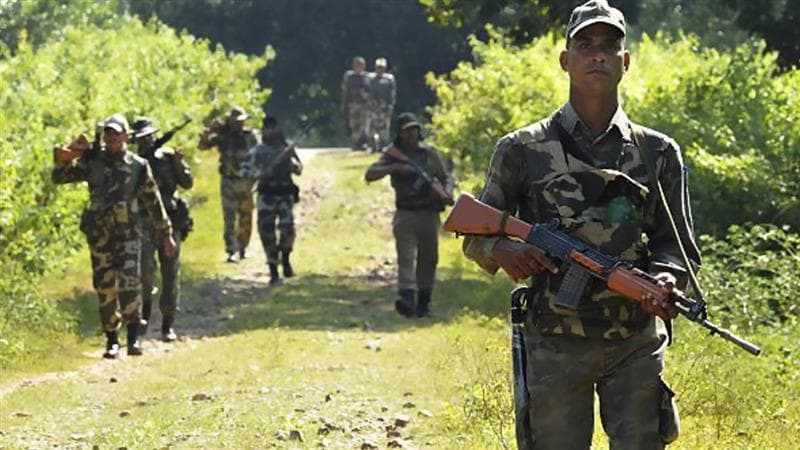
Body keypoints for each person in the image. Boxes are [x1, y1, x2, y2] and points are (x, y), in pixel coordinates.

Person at [462, 1, 701, 448]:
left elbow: (678, 245)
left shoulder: (658, 152)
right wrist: (504, 251)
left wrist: (667, 277)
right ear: (565, 60)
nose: (597, 55)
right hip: (554, 342)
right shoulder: (522, 148)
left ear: (625, 62)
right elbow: (475, 233)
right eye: (585, 45)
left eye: (610, 47)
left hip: (635, 340)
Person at [52, 114, 176, 358]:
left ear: (126, 136)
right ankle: (111, 340)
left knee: (131, 284)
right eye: (108, 133)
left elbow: (153, 201)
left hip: (128, 233)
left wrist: (166, 234)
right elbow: (59, 178)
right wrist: (67, 156)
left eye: (116, 133)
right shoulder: (92, 162)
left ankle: (133, 338)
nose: (111, 138)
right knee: (105, 287)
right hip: (100, 236)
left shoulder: (138, 165)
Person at [364, 113, 454, 318]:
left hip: (429, 214)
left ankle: (424, 303)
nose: (411, 134)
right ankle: (407, 299)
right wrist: (394, 168)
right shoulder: (392, 154)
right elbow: (370, 174)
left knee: (428, 259)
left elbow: (446, 176)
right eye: (407, 130)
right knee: (405, 258)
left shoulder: (430, 153)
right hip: (405, 213)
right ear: (400, 133)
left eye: (414, 129)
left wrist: (445, 192)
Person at [132, 117, 193, 342]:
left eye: (149, 136)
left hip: (170, 222)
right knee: (145, 271)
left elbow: (187, 183)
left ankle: (168, 324)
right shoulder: (134, 162)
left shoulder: (167, 158)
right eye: (141, 138)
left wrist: (179, 163)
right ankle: (144, 318)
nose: (147, 141)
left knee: (170, 272)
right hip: (144, 223)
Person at [242, 116, 303, 285]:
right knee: (267, 232)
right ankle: (273, 269)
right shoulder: (257, 151)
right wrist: (261, 174)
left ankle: (285, 257)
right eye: (267, 128)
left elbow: (298, 170)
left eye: (273, 128)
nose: (271, 131)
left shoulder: (286, 147)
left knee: (288, 229)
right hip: (266, 196)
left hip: (285, 195)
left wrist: (290, 159)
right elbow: (245, 173)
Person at [199, 106, 260, 263]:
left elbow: (259, 154)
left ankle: (243, 248)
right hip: (228, 180)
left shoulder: (250, 136)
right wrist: (208, 133)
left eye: (241, 121)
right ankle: (231, 250)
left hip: (246, 182)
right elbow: (203, 146)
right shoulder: (223, 137)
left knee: (246, 216)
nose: (238, 124)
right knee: (229, 216)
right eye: (235, 122)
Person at [366, 57, 396, 152]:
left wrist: (391, 105)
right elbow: (366, 91)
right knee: (372, 126)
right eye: (378, 67)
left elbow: (392, 93)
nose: (380, 69)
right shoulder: (370, 78)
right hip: (373, 106)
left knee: (384, 126)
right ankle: (372, 145)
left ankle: (383, 145)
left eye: (382, 67)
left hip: (384, 106)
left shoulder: (389, 79)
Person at [340, 56, 371, 150]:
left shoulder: (367, 77)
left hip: (364, 104)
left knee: (364, 124)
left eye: (360, 65)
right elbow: (345, 91)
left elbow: (371, 91)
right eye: (357, 65)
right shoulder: (349, 76)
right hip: (352, 104)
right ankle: (356, 143)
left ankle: (363, 143)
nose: (358, 67)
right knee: (354, 124)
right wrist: (344, 104)